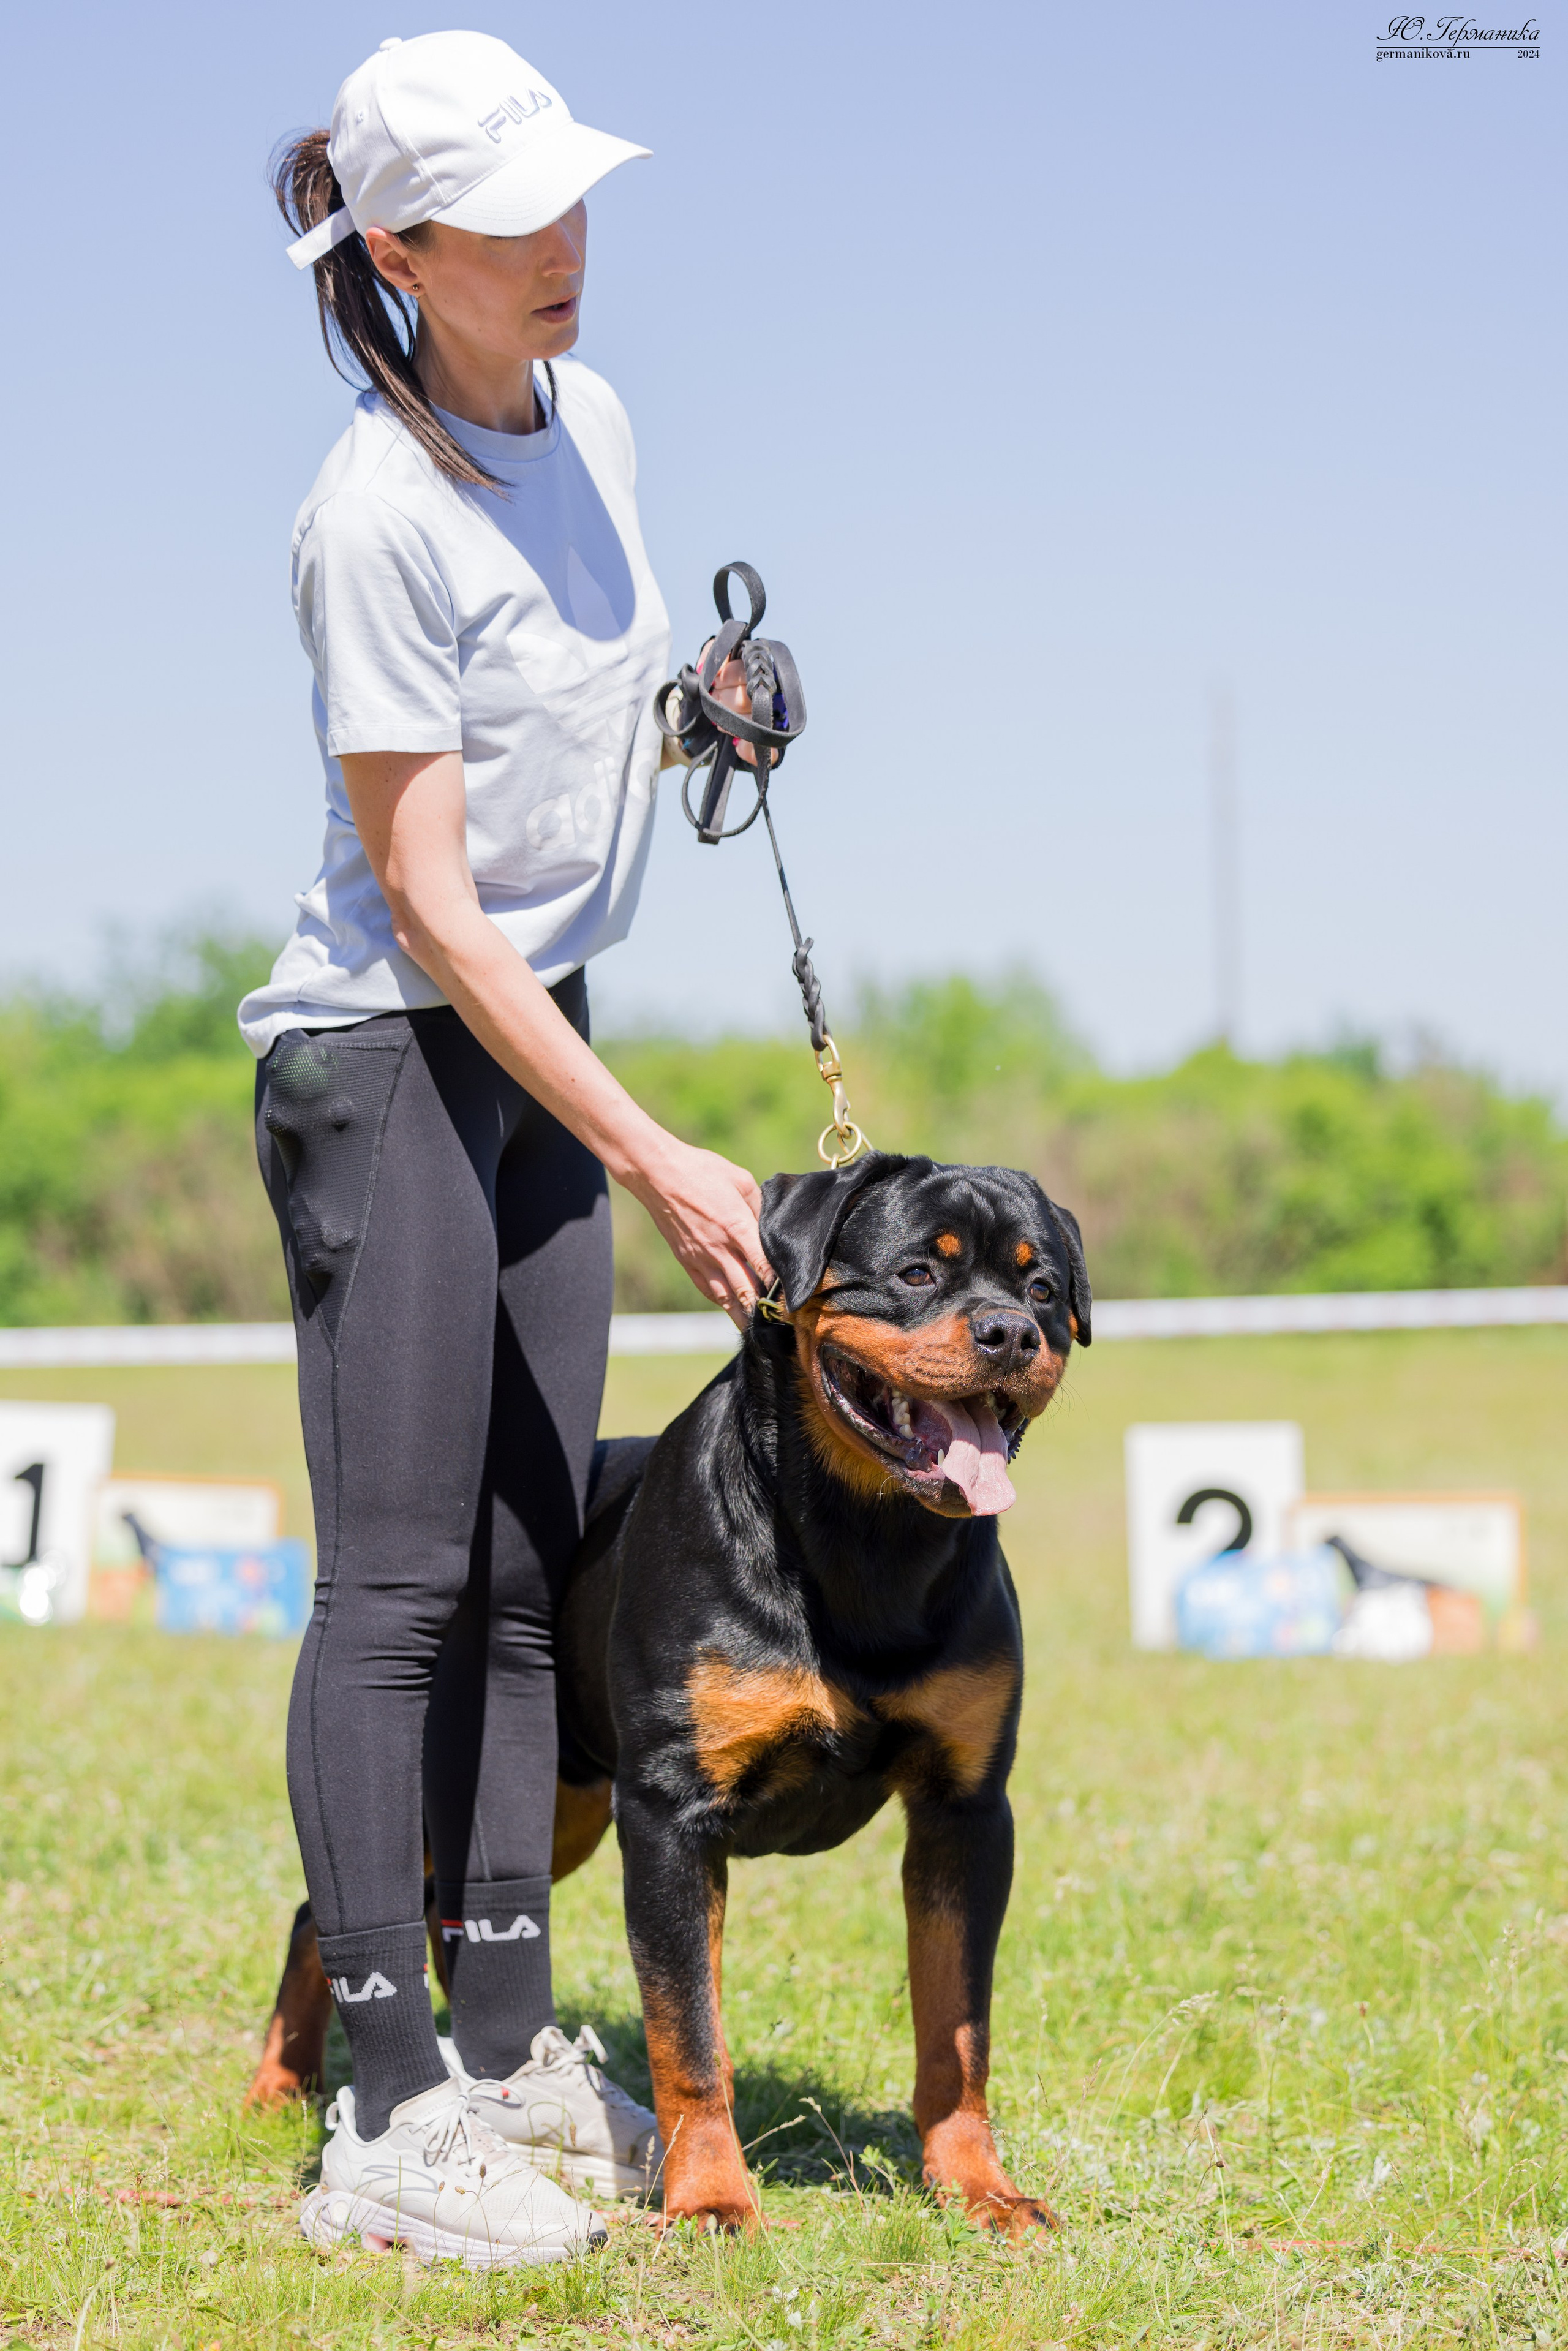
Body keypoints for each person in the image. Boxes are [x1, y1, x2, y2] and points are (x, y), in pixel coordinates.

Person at [239, 30, 771, 2267]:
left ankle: (512, 2041)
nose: (562, 248)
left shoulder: (604, 423)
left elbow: (582, 692)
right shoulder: (368, 510)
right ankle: (382, 2112)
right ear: (397, 250)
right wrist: (654, 1151)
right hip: (394, 1049)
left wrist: (708, 712)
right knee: (396, 1590)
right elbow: (435, 905)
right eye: (507, 219)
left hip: (541, 1037)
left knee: (538, 1547)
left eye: (575, 203)